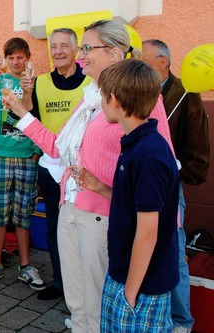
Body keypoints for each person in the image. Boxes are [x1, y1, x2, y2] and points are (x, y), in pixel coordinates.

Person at [3, 20, 174, 333]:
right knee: (77, 303)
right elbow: (59, 148)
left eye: (86, 48)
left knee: (97, 307)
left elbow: (160, 161)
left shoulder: (141, 97)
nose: (80, 56)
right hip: (71, 207)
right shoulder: (91, 96)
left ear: (112, 52)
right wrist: (21, 113)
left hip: (102, 216)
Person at [95, 59, 179, 332]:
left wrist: (130, 293)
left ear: (115, 100)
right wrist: (100, 188)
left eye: (102, 95)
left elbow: (147, 232)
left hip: (141, 286)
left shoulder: (147, 155)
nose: (100, 101)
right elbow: (134, 204)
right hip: (125, 274)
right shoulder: (136, 144)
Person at [142, 39, 210, 333]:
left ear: (162, 63)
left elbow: (196, 142)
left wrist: (182, 173)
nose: (139, 69)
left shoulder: (185, 94)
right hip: (142, 182)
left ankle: (181, 321)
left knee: (173, 249)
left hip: (170, 184)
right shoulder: (140, 91)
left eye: (145, 63)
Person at [20, 28, 91, 300]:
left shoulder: (89, 82)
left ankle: (85, 286)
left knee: (84, 228)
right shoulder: (39, 82)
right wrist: (26, 95)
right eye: (54, 46)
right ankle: (62, 283)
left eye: (64, 46)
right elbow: (30, 118)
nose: (58, 51)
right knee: (55, 227)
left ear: (75, 50)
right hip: (51, 167)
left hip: (83, 170)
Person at [0, 38, 44, 291]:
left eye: (20, 57)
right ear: (5, 60)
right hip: (0, 155)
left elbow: (39, 117)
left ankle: (25, 266)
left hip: (26, 156)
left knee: (24, 213)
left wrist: (36, 152)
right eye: (11, 57)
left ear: (27, 58)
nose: (16, 62)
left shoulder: (35, 83)